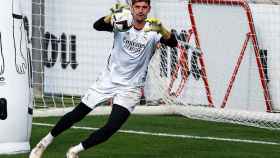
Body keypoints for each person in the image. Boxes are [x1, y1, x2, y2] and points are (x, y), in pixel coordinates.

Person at [29, 0, 177, 158]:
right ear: (132, 8)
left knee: (111, 127)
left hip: (131, 88)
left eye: (144, 7)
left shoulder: (154, 30)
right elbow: (97, 26)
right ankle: (43, 143)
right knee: (77, 114)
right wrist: (111, 16)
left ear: (149, 9)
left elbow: (173, 43)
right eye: (137, 7)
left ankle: (74, 151)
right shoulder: (121, 23)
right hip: (108, 81)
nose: (140, 10)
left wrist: (162, 28)